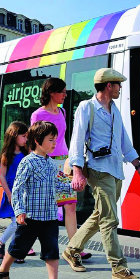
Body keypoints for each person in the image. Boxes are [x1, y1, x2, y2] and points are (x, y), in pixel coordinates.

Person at [63, 68, 140, 279]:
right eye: (118, 84)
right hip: (98, 170)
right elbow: (77, 140)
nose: (120, 88)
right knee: (109, 219)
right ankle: (118, 267)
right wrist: (77, 171)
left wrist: (138, 166)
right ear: (108, 86)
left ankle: (72, 249)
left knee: (100, 214)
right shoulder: (87, 107)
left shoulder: (114, 110)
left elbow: (123, 141)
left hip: (115, 170)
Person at [0, 121, 74, 279]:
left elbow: (59, 185)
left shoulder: (52, 164)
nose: (54, 144)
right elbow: (18, 188)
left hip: (50, 216)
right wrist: (19, 210)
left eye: (55, 140)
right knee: (18, 248)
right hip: (30, 217)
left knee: (52, 250)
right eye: (51, 140)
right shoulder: (27, 162)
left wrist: (73, 186)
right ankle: (2, 271)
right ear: (37, 140)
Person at [30, 77, 91, 261]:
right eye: (62, 91)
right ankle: (31, 243)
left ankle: (74, 248)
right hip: (47, 163)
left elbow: (64, 138)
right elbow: (34, 144)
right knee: (45, 207)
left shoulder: (63, 111)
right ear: (51, 92)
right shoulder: (37, 115)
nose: (65, 94)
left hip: (65, 162)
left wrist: (72, 160)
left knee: (70, 205)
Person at [0, 121, 29, 263]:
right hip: (11, 193)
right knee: (16, 223)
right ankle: (2, 243)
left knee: (22, 223)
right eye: (23, 136)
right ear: (14, 136)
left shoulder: (26, 153)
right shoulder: (6, 155)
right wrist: (9, 194)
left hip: (23, 194)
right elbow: (2, 176)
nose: (26, 139)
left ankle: (12, 250)